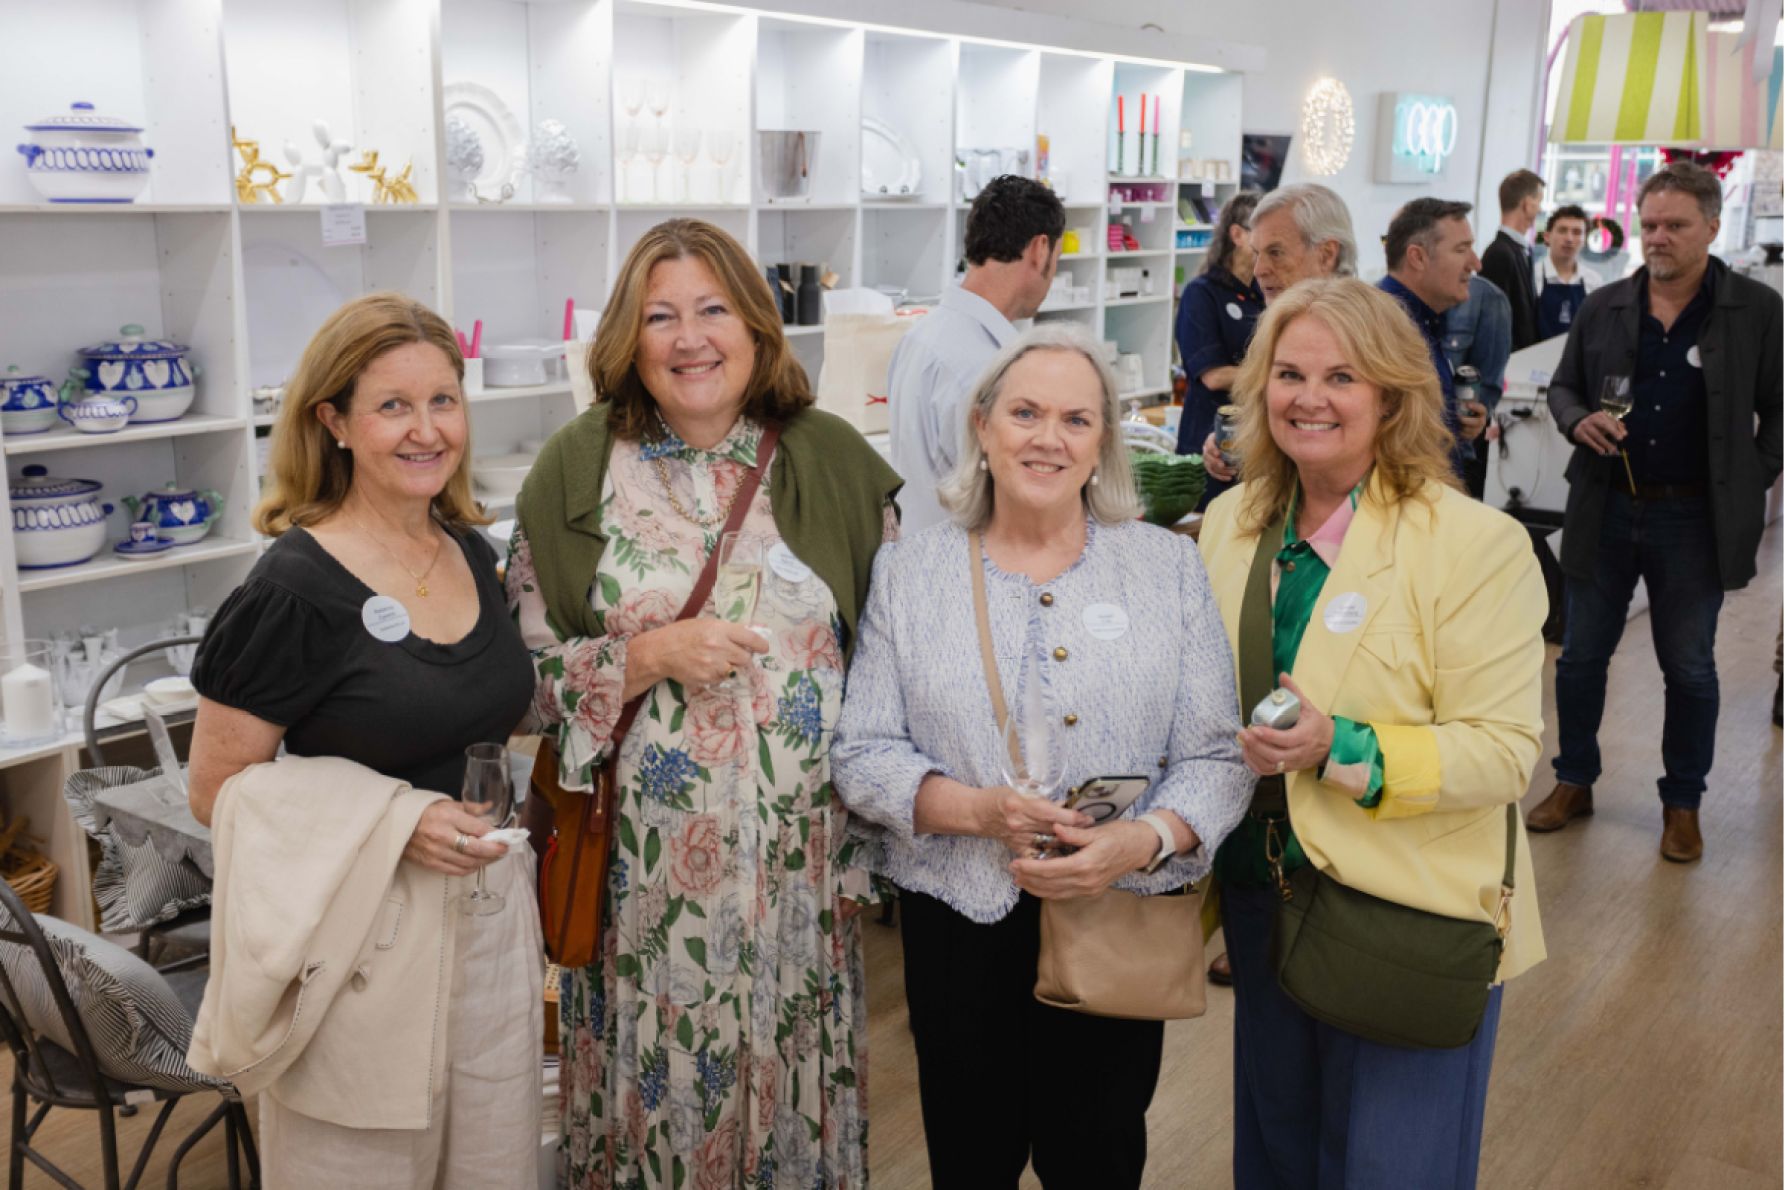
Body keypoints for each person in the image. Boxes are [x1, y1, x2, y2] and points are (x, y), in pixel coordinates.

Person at [510, 218, 902, 1188]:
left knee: (789, 1101)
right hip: (642, 891)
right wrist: (644, 654)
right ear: (626, 340)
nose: (691, 337)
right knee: (664, 1113)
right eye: (661, 316)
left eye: (713, 309)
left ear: (757, 327)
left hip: (802, 879)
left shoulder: (835, 460)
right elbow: (522, 681)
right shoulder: (574, 468)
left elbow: (899, 659)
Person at [833, 322, 1253, 1190]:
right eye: (1025, 413)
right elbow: (863, 751)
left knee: (1097, 1154)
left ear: (1103, 441)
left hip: (1118, 911)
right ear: (982, 425)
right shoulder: (912, 573)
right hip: (957, 918)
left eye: (1075, 418)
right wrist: (977, 810)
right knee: (969, 1158)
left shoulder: (1165, 569)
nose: (1047, 438)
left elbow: (1216, 755)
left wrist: (1139, 842)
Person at [1197, 277, 1547, 1189]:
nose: (1309, 398)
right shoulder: (1232, 525)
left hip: (1402, 911)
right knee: (1275, 1157)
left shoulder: (1473, 545)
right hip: (1261, 893)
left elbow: (1505, 751)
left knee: (1392, 1166)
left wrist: (1338, 748)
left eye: (1341, 376)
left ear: (1391, 396)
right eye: (1288, 373)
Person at [186, 293, 542, 1185]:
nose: (426, 431)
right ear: (333, 422)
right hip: (358, 941)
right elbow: (217, 790)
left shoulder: (471, 552)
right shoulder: (294, 591)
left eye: (443, 401)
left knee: (490, 1162)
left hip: (491, 918)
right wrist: (399, 819)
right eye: (391, 406)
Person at [1526, 162, 1783, 862]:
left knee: (1689, 667)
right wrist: (1577, 420)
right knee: (1578, 659)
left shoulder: (1755, 311)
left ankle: (1682, 804)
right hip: (1605, 507)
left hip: (1692, 519)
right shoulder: (1604, 304)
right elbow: (1563, 388)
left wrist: (1748, 475)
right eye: (1648, 226)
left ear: (1710, 227)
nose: (1657, 238)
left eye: (1673, 226)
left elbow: (1778, 413)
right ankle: (1572, 780)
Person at [888, 174, 1065, 532]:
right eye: (1058, 259)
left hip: (924, 561)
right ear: (1040, 249)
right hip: (971, 573)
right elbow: (1010, 505)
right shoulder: (983, 367)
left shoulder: (922, 335)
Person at [1201, 182, 1358, 488]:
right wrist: (1237, 438)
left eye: (1275, 252)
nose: (1258, 269)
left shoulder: (1369, 331)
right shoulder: (1278, 323)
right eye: (1257, 253)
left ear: (1327, 254)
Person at [1378, 197, 1489, 481]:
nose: (1475, 263)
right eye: (1461, 250)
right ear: (1417, 257)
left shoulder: (1426, 318)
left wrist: (1455, 422)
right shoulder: (1379, 326)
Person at [1174, 189, 1264, 510]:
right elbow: (1213, 376)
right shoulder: (1202, 294)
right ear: (1237, 235)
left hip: (1252, 443)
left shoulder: (1263, 294)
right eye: (1262, 232)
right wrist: (1277, 375)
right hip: (1208, 447)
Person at [1444, 274, 1513, 499]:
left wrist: (1470, 418)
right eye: (1460, 249)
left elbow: (1487, 389)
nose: (1475, 262)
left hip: (1450, 461)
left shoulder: (1486, 298)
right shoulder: (1384, 297)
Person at [1479, 168, 1545, 350]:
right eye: (1539, 201)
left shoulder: (1521, 250)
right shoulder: (1499, 254)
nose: (1540, 209)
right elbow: (1494, 321)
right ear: (1527, 204)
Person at [1535, 203, 1604, 341]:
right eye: (1562, 230)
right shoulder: (1532, 276)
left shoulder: (1594, 281)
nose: (1569, 239)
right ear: (1547, 237)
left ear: (1585, 240)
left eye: (1577, 232)